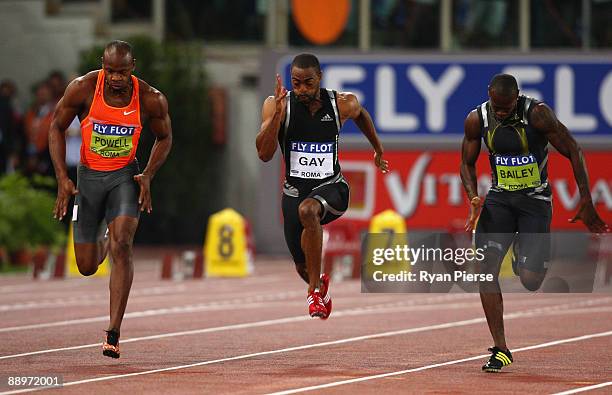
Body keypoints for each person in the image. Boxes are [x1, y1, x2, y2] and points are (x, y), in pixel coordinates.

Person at [460, 73, 609, 372]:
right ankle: (501, 348)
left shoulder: (537, 114)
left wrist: (586, 200)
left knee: (530, 280)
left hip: (535, 202)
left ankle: (521, 252)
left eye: (507, 107)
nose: (501, 113)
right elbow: (466, 162)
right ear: (489, 94)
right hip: (499, 200)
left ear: (517, 96)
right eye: (497, 107)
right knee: (484, 269)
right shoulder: (477, 119)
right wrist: (473, 196)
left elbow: (573, 150)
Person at [48, 40, 172, 358]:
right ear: (102, 66)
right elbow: (56, 127)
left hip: (124, 177)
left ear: (133, 66)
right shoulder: (83, 89)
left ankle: (113, 331)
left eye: (121, 71)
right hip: (88, 179)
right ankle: (105, 233)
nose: (115, 78)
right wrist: (63, 178)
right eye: (110, 70)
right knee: (87, 266)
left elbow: (165, 136)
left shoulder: (150, 98)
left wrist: (148, 174)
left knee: (123, 244)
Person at [256, 53, 388, 319]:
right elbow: (264, 153)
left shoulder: (341, 103)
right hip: (294, 191)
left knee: (309, 211)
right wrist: (277, 118)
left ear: (320, 78)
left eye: (308, 83)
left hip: (333, 188)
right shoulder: (276, 105)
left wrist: (378, 149)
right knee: (302, 267)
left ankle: (314, 292)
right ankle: (318, 283)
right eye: (296, 83)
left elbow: (361, 115)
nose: (302, 89)